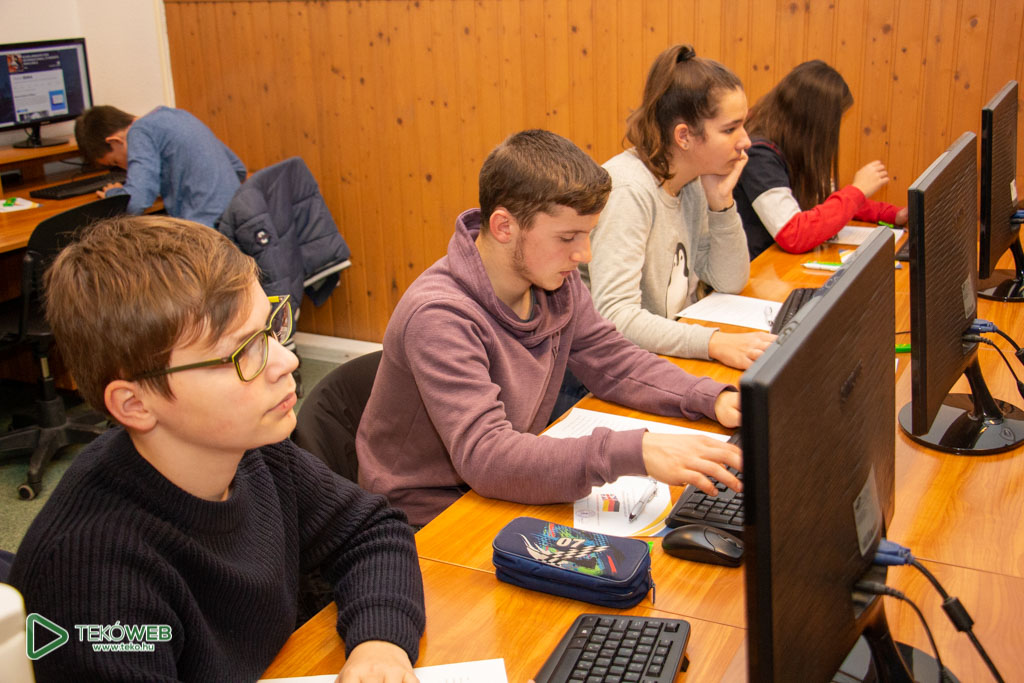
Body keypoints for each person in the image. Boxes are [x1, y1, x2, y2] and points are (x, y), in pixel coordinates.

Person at [8, 216, 425, 682]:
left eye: (269, 330)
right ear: (135, 404)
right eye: (242, 352)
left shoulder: (254, 450)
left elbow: (371, 530)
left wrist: (379, 644)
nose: (287, 360)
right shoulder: (88, 578)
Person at [357, 129, 743, 529]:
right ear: (504, 227)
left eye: (588, 234)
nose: (584, 254)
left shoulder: (554, 280)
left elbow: (613, 360)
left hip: (497, 488)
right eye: (568, 237)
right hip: (427, 520)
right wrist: (636, 451)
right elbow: (486, 455)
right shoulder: (439, 316)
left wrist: (709, 398)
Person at [580, 44, 774, 371]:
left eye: (744, 125)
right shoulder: (629, 190)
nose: (745, 141)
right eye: (730, 129)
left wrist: (722, 203)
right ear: (684, 136)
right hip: (609, 372)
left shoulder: (692, 183)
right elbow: (615, 316)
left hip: (662, 356)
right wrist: (712, 342)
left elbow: (729, 280)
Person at [734, 59, 908, 260]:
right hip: (757, 269)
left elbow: (825, 199)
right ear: (815, 121)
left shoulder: (788, 144)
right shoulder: (759, 155)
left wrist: (892, 215)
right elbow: (794, 234)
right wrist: (857, 191)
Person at [74, 105, 248, 228]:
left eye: (115, 162)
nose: (125, 169)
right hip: (237, 218)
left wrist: (113, 194)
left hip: (207, 230)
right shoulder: (177, 115)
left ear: (114, 141)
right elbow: (238, 169)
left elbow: (136, 203)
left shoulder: (139, 132)